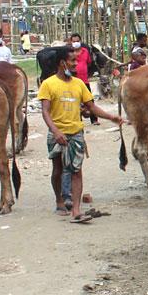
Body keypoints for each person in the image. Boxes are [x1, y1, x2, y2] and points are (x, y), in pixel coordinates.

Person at [36, 46, 124, 223]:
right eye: (73, 61)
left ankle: (76, 210)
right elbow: (45, 112)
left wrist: (111, 117)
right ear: (62, 63)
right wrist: (55, 131)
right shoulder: (48, 84)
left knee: (76, 171)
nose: (77, 64)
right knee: (58, 170)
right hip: (56, 134)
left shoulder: (79, 84)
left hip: (76, 133)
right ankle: (59, 200)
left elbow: (91, 107)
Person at [68, 32, 98, 125]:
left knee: (89, 100)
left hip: (84, 80)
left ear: (80, 41)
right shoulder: (69, 52)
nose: (76, 42)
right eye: (74, 41)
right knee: (74, 101)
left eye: (77, 41)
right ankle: (77, 120)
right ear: (71, 42)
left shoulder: (85, 51)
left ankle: (94, 119)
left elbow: (89, 63)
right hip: (72, 80)